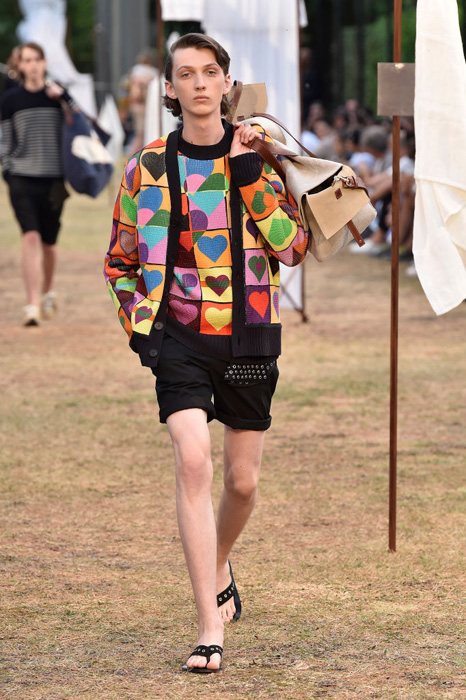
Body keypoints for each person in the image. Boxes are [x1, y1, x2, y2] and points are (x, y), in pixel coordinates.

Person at [104, 33, 309, 674]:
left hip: (248, 337)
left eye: (210, 71)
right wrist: (144, 327)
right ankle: (209, 627)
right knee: (193, 461)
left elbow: (292, 248)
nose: (199, 83)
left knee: (242, 483)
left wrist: (247, 172)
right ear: (169, 88)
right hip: (179, 340)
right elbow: (120, 261)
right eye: (187, 73)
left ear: (227, 83)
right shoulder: (146, 167)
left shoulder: (259, 156)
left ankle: (219, 561)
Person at [0, 42, 73, 326]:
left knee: (49, 243)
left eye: (36, 59)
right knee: (30, 236)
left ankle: (47, 290)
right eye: (26, 60)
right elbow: (5, 139)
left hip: (54, 180)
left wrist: (64, 98)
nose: (31, 65)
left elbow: (80, 124)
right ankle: (31, 304)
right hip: (21, 177)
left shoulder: (58, 95)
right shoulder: (11, 100)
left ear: (44, 63)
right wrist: (8, 169)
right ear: (19, 65)